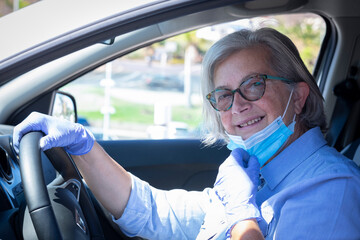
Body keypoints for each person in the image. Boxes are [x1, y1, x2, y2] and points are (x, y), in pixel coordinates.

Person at [13, 28, 360, 239]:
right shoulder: (257, 175)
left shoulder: (331, 190)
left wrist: (241, 216)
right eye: (224, 95)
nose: (236, 105)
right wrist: (83, 147)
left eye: (254, 85)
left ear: (298, 97)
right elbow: (154, 213)